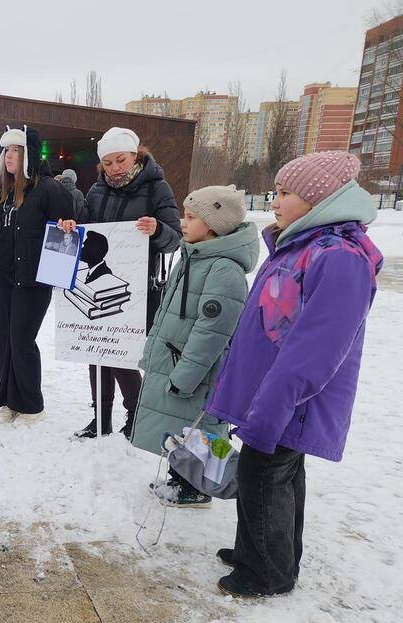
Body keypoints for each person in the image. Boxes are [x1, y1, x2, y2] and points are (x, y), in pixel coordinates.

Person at [206, 152, 382, 598]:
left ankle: (266, 572)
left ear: (319, 199)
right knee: (275, 477)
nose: (276, 202)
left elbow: (316, 350)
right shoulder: (298, 245)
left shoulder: (339, 257)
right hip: (269, 394)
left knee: (264, 477)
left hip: (289, 400)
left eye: (286, 194)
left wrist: (273, 405)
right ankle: (261, 553)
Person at [129, 185, 259, 507]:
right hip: (175, 359)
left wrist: (184, 376)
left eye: (190, 217)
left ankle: (197, 487)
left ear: (213, 225)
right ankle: (181, 479)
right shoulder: (193, 257)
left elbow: (211, 334)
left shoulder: (223, 270)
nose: (182, 223)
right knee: (178, 425)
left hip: (197, 372)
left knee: (200, 428)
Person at [70, 126, 182, 440]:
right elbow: (88, 230)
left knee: (120, 354)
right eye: (107, 163)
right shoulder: (96, 190)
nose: (115, 168)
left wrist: (157, 229)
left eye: (120, 159)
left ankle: (136, 414)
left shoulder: (156, 188)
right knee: (95, 350)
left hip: (133, 285)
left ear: (135, 154)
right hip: (97, 277)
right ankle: (100, 417)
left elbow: (174, 239)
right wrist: (72, 226)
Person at [0, 125, 74, 424]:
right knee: (4, 340)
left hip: (33, 279)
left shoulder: (50, 189)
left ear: (28, 154)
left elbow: (72, 226)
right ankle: (9, 399)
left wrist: (69, 226)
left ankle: (31, 404)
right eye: (6, 150)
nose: (9, 156)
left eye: (15, 150)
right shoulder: (2, 189)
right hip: (2, 276)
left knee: (22, 340)